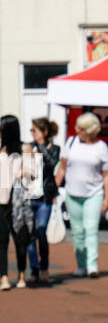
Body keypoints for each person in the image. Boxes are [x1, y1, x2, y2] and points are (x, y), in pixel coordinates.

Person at [55, 113, 108, 279]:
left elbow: (107, 174)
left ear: (90, 130)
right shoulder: (71, 142)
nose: (76, 130)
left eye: (80, 128)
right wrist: (55, 186)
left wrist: (107, 198)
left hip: (94, 194)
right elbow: (62, 166)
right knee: (77, 231)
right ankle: (81, 265)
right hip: (72, 193)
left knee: (91, 229)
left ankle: (92, 265)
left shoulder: (101, 147)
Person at [0, 114, 40, 290]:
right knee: (1, 241)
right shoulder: (0, 150)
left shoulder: (25, 149)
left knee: (19, 239)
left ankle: (22, 274)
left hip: (17, 202)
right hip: (0, 200)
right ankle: (4, 277)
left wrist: (22, 173)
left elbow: (33, 174)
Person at [26, 117, 61, 285]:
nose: (32, 134)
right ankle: (34, 269)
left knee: (41, 233)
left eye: (35, 131)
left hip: (45, 198)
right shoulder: (28, 147)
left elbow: (51, 164)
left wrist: (41, 147)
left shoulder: (54, 148)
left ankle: (44, 267)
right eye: (31, 131)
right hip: (29, 196)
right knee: (29, 236)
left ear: (44, 133)